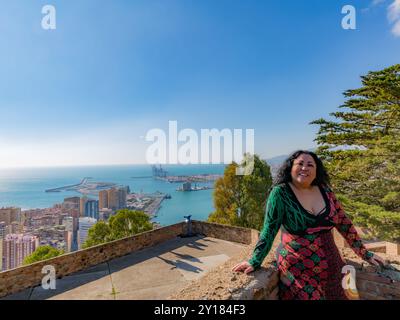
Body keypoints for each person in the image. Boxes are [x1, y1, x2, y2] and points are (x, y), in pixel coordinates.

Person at [232, 150, 386, 300]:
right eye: (300, 163)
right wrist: (255, 260)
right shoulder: (280, 193)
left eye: (310, 165)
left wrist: (364, 253)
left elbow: (344, 223)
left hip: (333, 265)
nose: (305, 167)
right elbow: (269, 229)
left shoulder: (325, 191)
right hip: (299, 269)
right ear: (290, 168)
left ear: (316, 170)